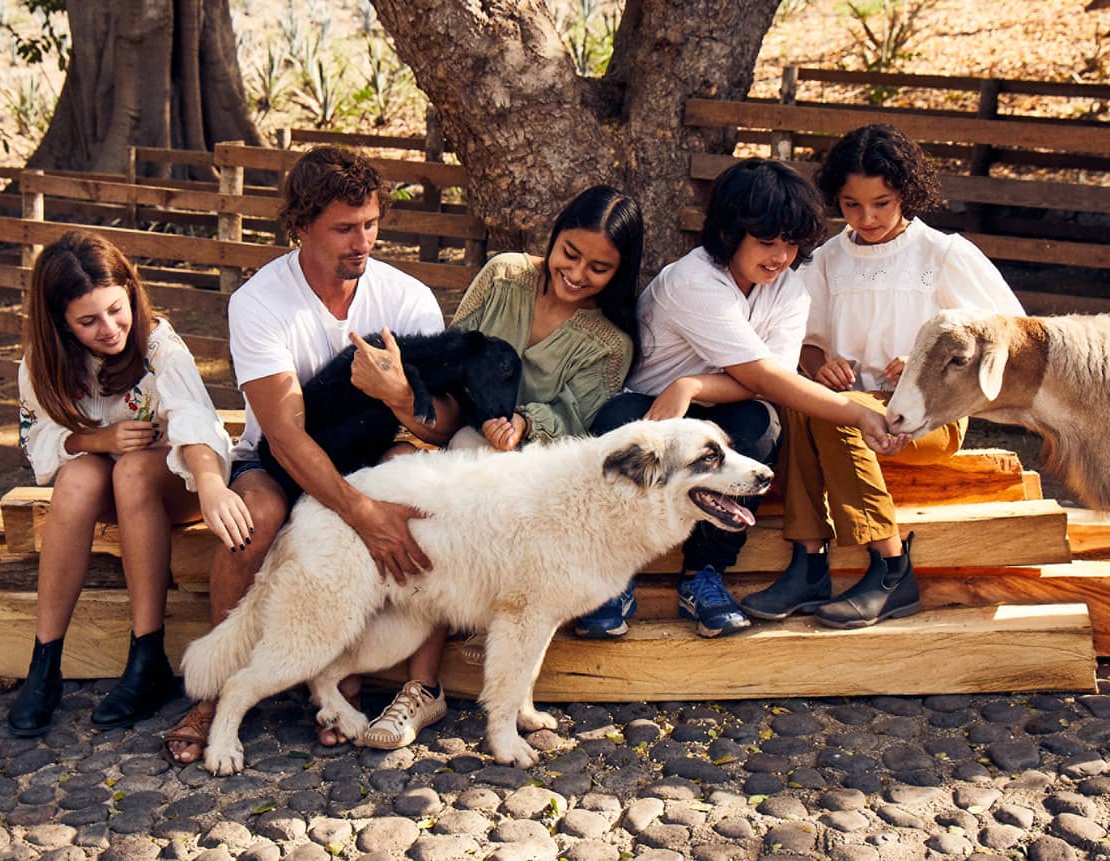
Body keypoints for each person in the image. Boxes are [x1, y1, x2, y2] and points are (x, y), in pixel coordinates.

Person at [163, 145, 461, 764]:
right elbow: (283, 435)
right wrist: (360, 510)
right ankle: (216, 692)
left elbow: (442, 421)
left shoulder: (408, 298)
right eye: (344, 228)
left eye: (372, 224)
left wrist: (401, 396)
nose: (363, 241)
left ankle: (339, 684)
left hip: (376, 455)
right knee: (254, 525)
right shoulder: (259, 300)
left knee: (417, 498)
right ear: (300, 227)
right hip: (277, 463)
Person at [357, 184, 645, 750]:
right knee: (459, 463)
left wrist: (525, 424)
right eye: (570, 253)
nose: (578, 273)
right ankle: (425, 663)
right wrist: (480, 411)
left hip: (539, 470)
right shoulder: (504, 274)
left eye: (599, 267)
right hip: (460, 429)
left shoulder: (609, 342)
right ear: (554, 237)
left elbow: (579, 419)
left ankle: (458, 677)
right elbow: (456, 350)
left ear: (620, 271)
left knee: (494, 491)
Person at [579, 158, 903, 640]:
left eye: (791, 244)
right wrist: (858, 412)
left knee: (758, 424)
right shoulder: (693, 279)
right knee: (620, 430)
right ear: (731, 234)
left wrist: (693, 385)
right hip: (649, 405)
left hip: (718, 410)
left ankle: (702, 574)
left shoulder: (789, 289)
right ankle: (611, 578)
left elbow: (766, 380)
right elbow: (766, 375)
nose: (779, 257)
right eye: (766, 242)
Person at [740, 124, 1025, 628]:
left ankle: (892, 569)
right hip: (852, 409)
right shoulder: (826, 259)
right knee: (807, 404)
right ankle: (808, 563)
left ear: (906, 194)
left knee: (840, 416)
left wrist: (929, 364)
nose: (866, 218)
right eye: (851, 205)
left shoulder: (943, 254)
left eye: (882, 203)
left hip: (926, 417)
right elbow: (802, 341)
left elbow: (1008, 334)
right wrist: (817, 363)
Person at [8, 231, 253, 737]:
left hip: (173, 482)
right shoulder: (40, 365)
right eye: (88, 321)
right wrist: (99, 439)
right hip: (104, 482)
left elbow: (193, 417)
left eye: (116, 309)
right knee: (76, 480)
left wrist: (209, 484)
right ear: (60, 322)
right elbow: (42, 447)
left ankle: (147, 655)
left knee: (134, 467)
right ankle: (45, 663)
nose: (110, 329)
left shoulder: (156, 342)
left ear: (129, 293)